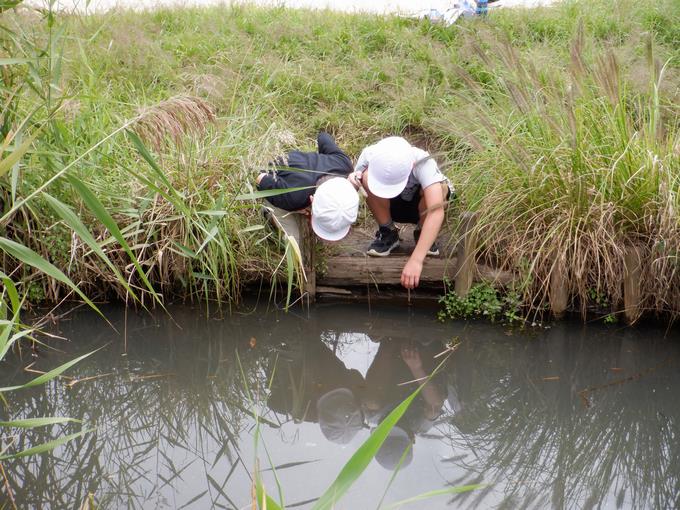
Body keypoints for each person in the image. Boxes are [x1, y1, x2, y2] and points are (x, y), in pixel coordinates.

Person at [349, 136, 452, 289]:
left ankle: (424, 234)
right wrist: (352, 182)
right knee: (364, 177)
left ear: (411, 165)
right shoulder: (370, 154)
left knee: (440, 189)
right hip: (390, 205)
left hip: (420, 208)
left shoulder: (423, 161)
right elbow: (350, 191)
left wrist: (416, 260)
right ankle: (388, 232)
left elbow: (436, 211)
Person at [256, 132, 359, 242]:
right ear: (311, 200)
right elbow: (260, 178)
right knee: (294, 242)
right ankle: (269, 211)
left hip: (299, 163)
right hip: (282, 176)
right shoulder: (294, 196)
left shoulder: (344, 165)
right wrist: (295, 207)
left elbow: (323, 136)